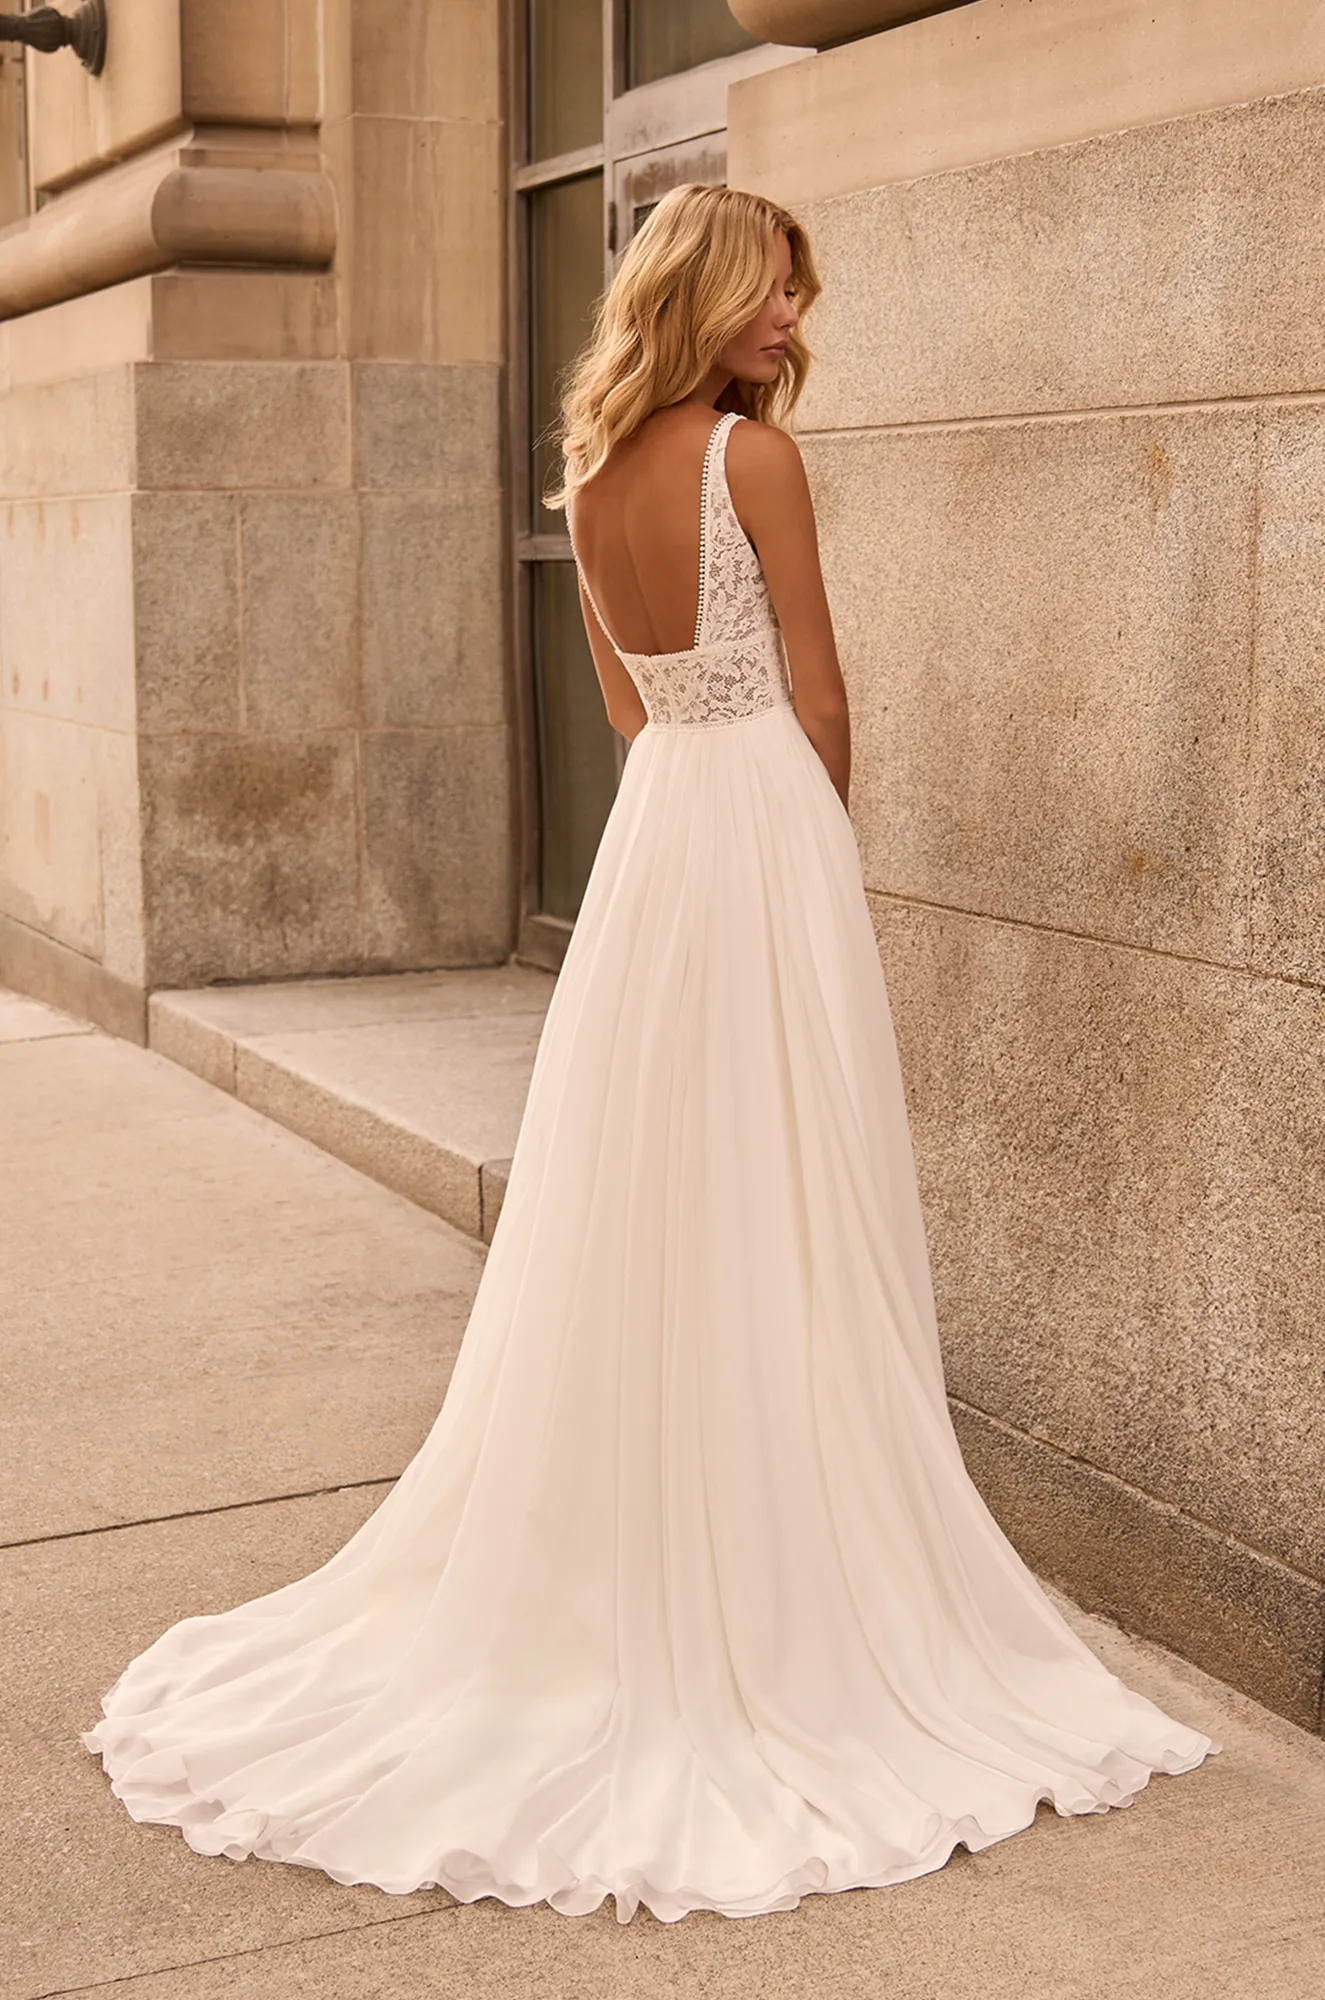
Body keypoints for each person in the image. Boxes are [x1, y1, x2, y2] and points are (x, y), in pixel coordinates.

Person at [83, 183, 1217, 1925]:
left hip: (658, 838)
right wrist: (820, 861)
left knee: (657, 1198)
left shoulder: (594, 470)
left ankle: (659, 1546)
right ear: (705, 295)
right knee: (785, 1186)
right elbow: (824, 695)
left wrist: (714, 780)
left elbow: (629, 712)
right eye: (773, 292)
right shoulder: (751, 464)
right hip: (757, 823)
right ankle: (791, 1575)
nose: (791, 323)